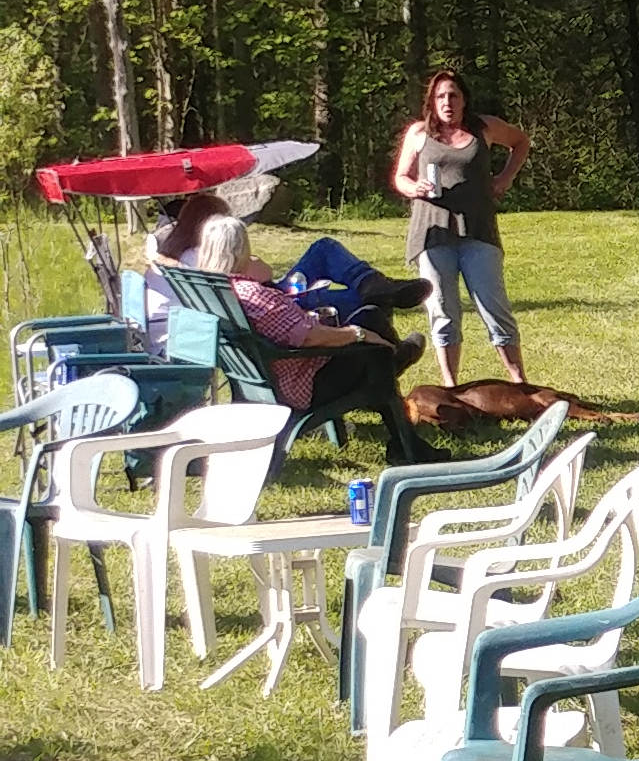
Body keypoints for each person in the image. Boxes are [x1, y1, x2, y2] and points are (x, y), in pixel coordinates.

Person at [153, 194, 433, 464]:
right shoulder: (256, 295)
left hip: (263, 379)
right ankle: (398, 381)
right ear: (241, 250)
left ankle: (397, 388)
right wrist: (358, 334)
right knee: (372, 323)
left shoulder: (218, 291)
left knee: (371, 333)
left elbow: (294, 329)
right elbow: (309, 336)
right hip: (300, 384)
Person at [389, 68, 532, 389]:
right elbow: (400, 177)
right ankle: (451, 387)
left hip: (478, 230)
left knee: (493, 307)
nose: (447, 102)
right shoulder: (419, 133)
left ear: (464, 99)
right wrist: (414, 188)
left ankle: (520, 383)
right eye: (440, 96)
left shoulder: (485, 128)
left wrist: (505, 178)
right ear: (432, 101)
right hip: (433, 232)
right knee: (443, 311)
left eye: (453, 95)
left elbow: (521, 142)